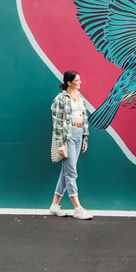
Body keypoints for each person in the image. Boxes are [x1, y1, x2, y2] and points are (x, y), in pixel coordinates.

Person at [49, 70, 93, 220]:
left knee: (66, 171)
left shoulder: (80, 98)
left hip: (78, 134)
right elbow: (57, 123)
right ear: (69, 82)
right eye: (77, 80)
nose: (80, 82)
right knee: (71, 172)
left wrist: (85, 138)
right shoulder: (60, 99)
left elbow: (84, 119)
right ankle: (77, 208)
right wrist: (60, 144)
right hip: (67, 137)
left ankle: (54, 206)